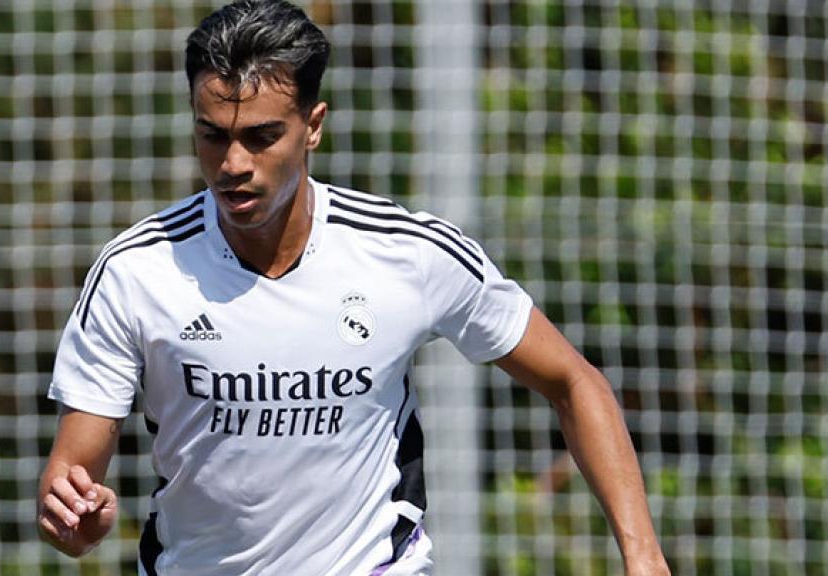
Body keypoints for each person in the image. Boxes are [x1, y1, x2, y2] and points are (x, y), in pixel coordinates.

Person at [36, 1, 670, 574]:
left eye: (261, 137)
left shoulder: (406, 252)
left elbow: (574, 381)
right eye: (213, 135)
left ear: (312, 126)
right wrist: (75, 519)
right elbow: (74, 478)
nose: (233, 164)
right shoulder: (136, 270)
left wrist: (643, 556)